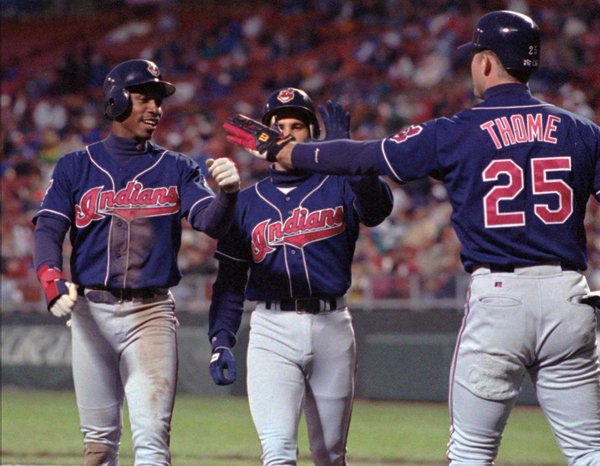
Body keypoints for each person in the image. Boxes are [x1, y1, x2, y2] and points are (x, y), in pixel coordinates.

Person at [223, 11, 600, 466]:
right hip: (569, 297)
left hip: (500, 297)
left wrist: (289, 150)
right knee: (589, 449)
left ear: (485, 63)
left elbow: (371, 156)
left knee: (471, 451)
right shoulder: (583, 131)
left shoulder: (457, 130)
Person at [33, 58, 240, 466]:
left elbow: (209, 221)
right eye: (144, 97)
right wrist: (50, 277)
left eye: (158, 100)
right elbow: (48, 230)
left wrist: (229, 195)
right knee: (97, 446)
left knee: (151, 442)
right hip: (91, 311)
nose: (155, 108)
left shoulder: (177, 167)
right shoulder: (76, 165)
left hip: (151, 313)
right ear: (116, 99)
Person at [209, 87, 393, 465]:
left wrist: (350, 157)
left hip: (332, 325)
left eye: (298, 125)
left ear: (313, 134)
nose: (289, 134)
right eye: (279, 126)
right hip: (272, 328)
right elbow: (230, 281)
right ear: (265, 137)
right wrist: (220, 338)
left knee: (330, 454)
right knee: (277, 450)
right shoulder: (244, 203)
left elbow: (377, 209)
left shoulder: (340, 183)